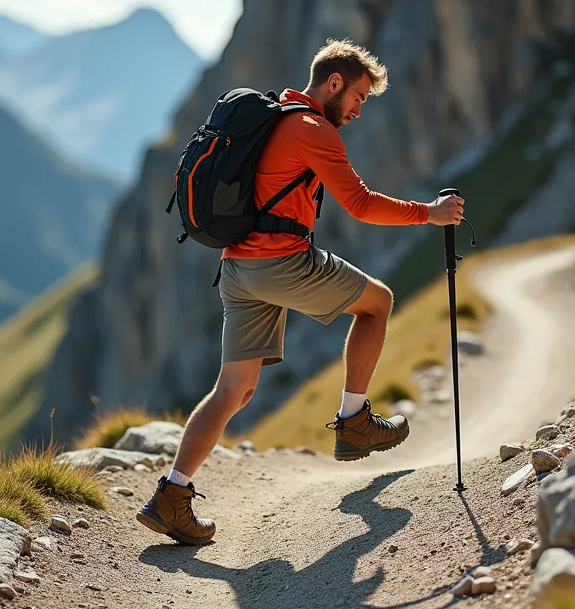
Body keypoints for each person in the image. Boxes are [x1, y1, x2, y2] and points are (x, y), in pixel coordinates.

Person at [136, 39, 466, 545]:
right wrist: (430, 212)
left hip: (238, 268)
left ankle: (171, 496)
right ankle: (354, 421)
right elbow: (358, 203)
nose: (357, 110)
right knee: (377, 303)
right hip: (281, 261)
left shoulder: (275, 116)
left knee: (233, 391)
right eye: (357, 97)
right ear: (333, 83)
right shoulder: (313, 129)